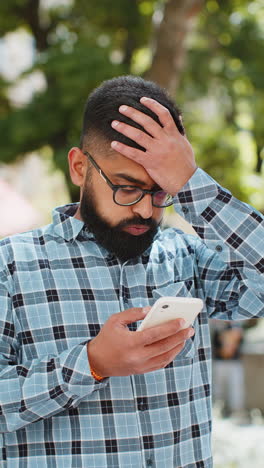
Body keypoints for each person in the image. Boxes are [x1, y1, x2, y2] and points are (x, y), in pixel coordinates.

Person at [0, 75, 263, 468]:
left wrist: (192, 184)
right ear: (78, 167)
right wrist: (91, 363)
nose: (145, 210)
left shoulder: (187, 255)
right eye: (126, 187)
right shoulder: (10, 265)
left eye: (160, 192)